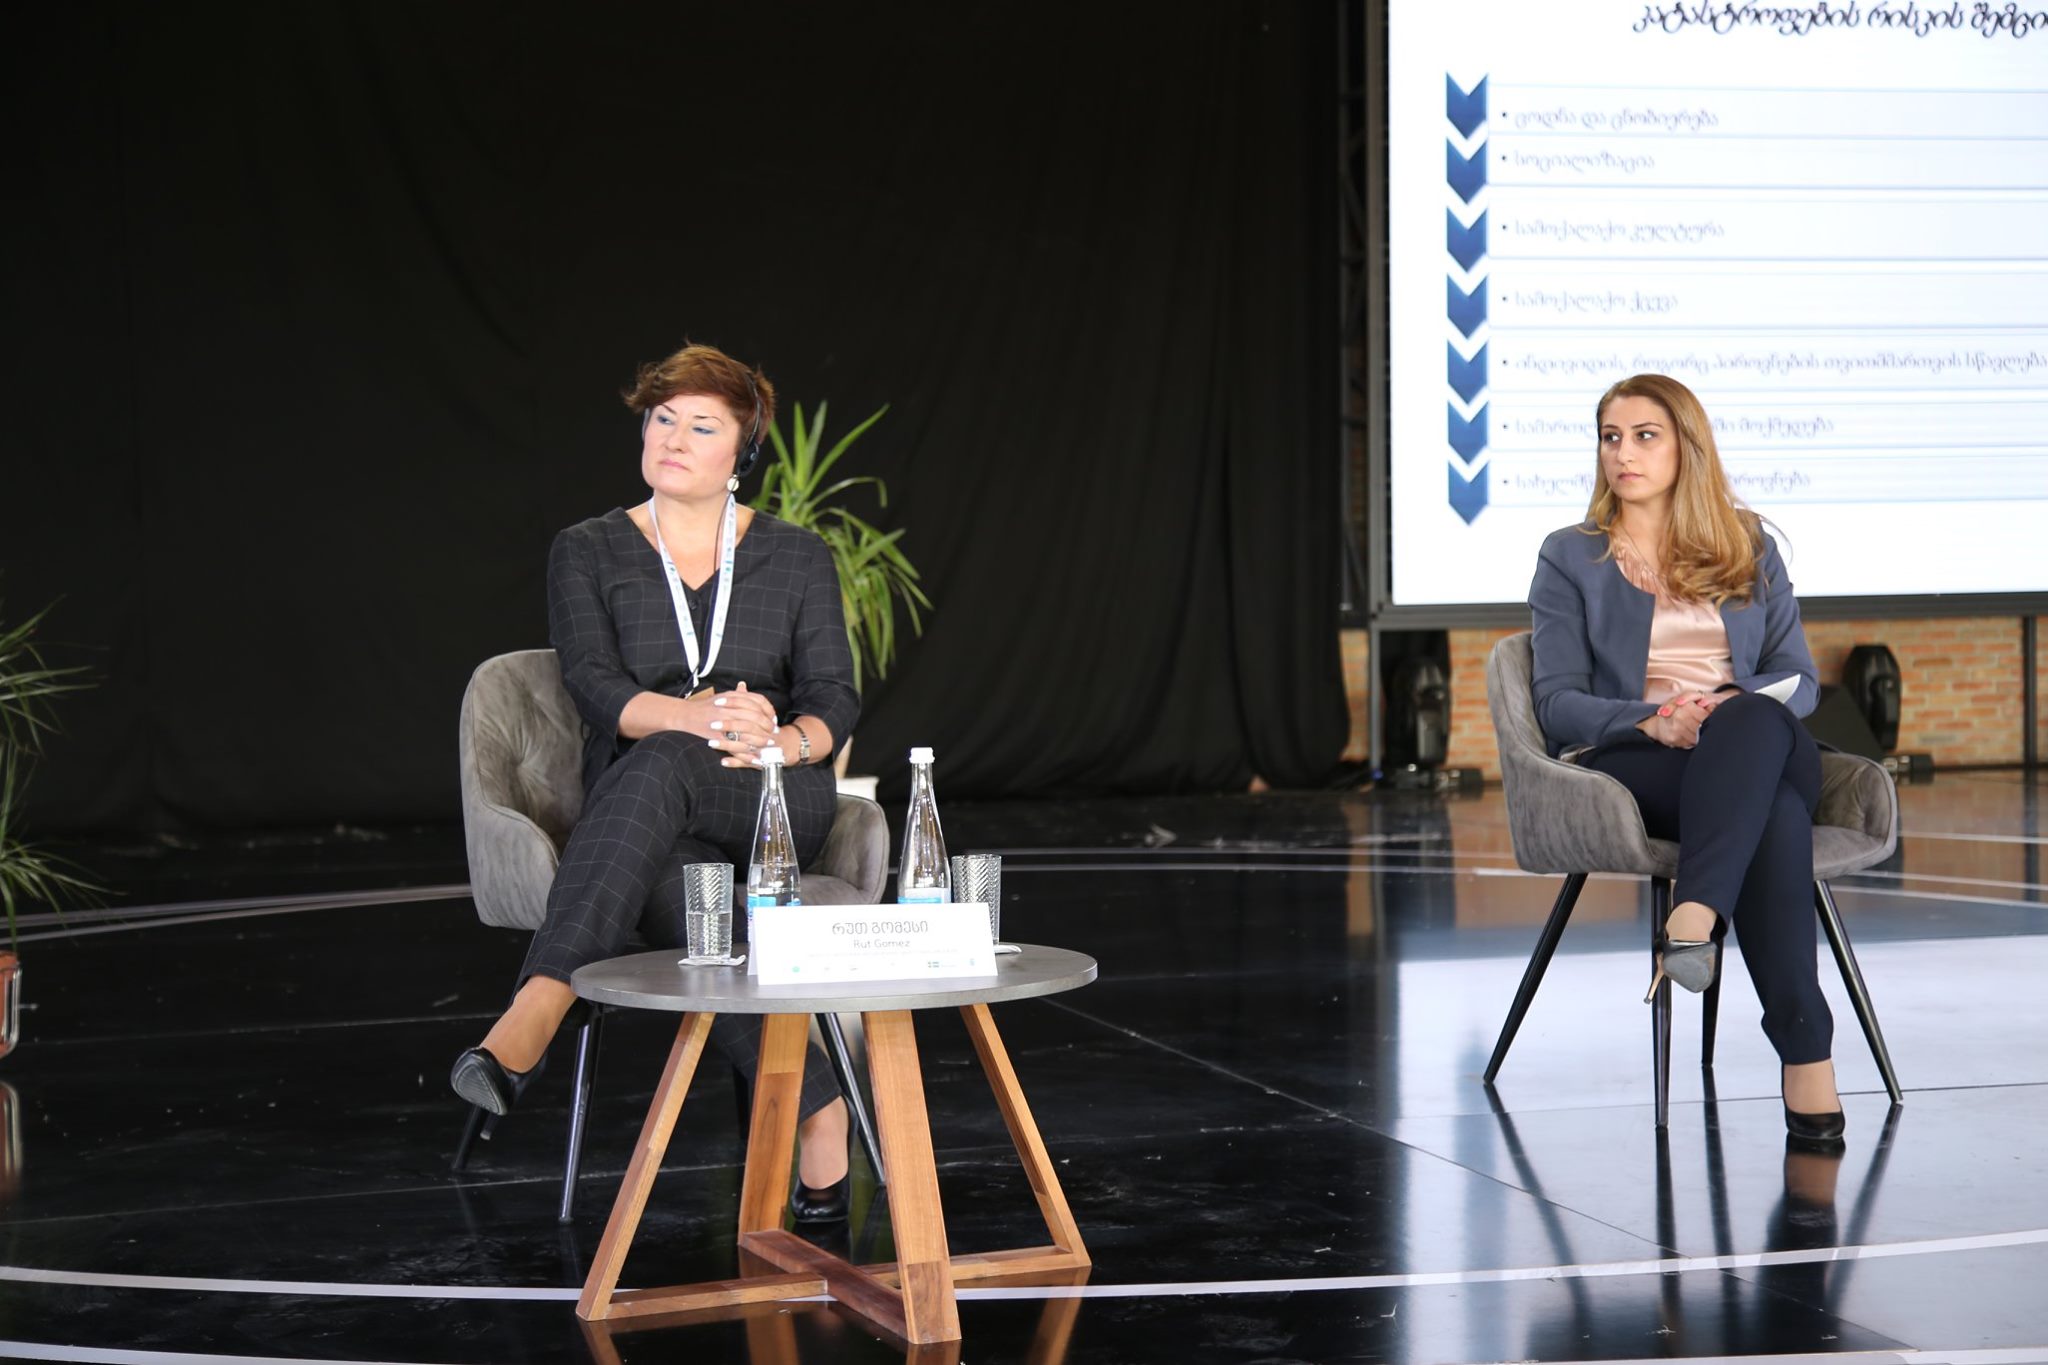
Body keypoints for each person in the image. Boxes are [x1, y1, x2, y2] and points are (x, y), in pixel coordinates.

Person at [450, 342, 862, 1218]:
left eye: (701, 425)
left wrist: (784, 741)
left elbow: (834, 695)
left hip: (767, 795)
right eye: (661, 418)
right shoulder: (588, 548)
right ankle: (820, 1112)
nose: (672, 437)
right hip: (643, 800)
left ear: (743, 451)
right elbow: (594, 686)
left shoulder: (797, 555)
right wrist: (692, 717)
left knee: (668, 767)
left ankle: (537, 1003)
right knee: (681, 880)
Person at [1528, 372, 1845, 1147]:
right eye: (1611, 437)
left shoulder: (1748, 543)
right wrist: (1655, 718)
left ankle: (1695, 911)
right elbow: (1557, 702)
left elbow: (1799, 678)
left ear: (1687, 447)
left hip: (1759, 741)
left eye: (1645, 435)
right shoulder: (1571, 556)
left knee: (1751, 719)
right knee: (1773, 814)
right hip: (1648, 760)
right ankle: (1806, 1049)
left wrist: (1725, 705)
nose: (1623, 453)